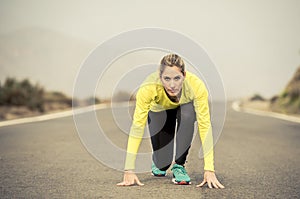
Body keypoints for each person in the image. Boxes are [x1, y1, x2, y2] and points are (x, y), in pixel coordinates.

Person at [117, 54, 224, 188]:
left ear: (184, 75)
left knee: (188, 113)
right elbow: (137, 126)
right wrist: (129, 170)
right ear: (160, 77)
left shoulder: (196, 86)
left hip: (184, 109)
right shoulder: (148, 87)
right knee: (163, 164)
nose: (172, 85)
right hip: (160, 112)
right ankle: (159, 162)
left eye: (177, 78)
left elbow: (205, 125)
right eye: (167, 79)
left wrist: (209, 170)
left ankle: (179, 166)